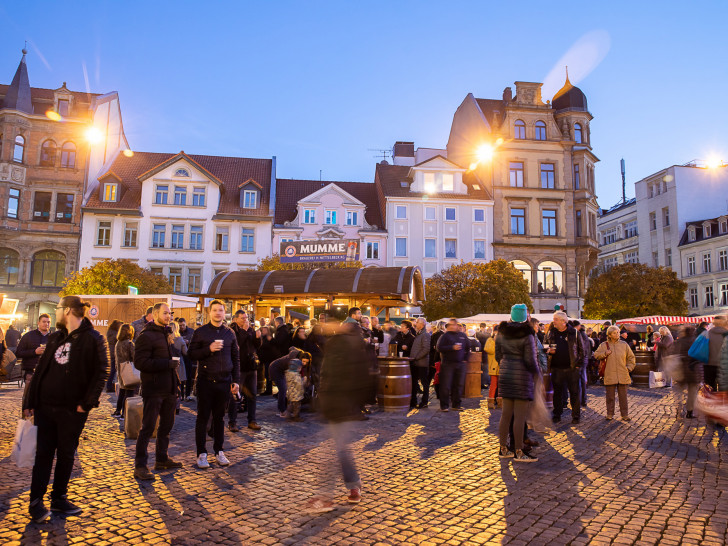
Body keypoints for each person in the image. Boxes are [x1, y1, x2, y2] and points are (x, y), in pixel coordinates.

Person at [22, 296, 109, 522]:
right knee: (43, 454)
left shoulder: (93, 338)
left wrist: (86, 403)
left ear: (68, 310)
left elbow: (101, 372)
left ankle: (59, 497)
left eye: (58, 308)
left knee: (66, 454)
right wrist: (29, 402)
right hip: (45, 407)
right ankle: (36, 501)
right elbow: (41, 370)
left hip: (72, 409)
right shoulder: (55, 337)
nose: (56, 312)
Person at [318, 320, 372, 504]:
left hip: (338, 404)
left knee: (337, 450)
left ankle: (329, 496)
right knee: (339, 449)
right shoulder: (358, 346)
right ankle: (352, 486)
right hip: (347, 405)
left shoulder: (340, 345)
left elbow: (329, 376)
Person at [133, 303, 183, 481]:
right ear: (154, 315)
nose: (168, 316)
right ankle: (140, 465)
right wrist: (166, 364)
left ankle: (161, 459)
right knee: (147, 428)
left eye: (170, 313)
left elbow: (171, 361)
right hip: (153, 389)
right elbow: (140, 363)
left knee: (166, 427)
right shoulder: (146, 336)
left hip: (168, 389)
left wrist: (176, 384)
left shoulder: (167, 333)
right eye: (165, 313)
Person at [188, 300, 240, 469]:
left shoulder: (230, 333)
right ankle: (201, 453)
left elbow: (235, 359)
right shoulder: (201, 332)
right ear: (209, 313)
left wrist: (236, 381)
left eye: (221, 310)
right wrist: (208, 349)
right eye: (215, 310)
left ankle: (219, 451)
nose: (218, 313)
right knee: (202, 418)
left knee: (219, 418)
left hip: (224, 382)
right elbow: (191, 354)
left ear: (225, 313)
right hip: (206, 381)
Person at [496, 304, 539, 462]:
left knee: (506, 415)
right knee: (520, 416)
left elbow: (497, 355)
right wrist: (537, 373)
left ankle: (503, 449)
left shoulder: (501, 333)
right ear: (524, 317)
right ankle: (519, 451)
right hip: (522, 376)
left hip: (506, 374)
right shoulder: (527, 335)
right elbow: (531, 360)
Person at [547, 311, 587, 425]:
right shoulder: (551, 332)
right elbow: (545, 345)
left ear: (563, 321)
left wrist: (578, 365)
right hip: (556, 368)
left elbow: (582, 351)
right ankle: (557, 414)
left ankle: (576, 416)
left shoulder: (574, 333)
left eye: (555, 319)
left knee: (574, 393)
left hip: (572, 368)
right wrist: (548, 351)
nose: (553, 322)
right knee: (557, 393)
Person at [593, 325, 636, 421]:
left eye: (618, 332)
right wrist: (605, 354)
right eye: (615, 333)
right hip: (610, 373)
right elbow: (596, 355)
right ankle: (610, 414)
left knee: (623, 397)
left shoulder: (624, 344)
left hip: (622, 374)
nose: (617, 334)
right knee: (610, 397)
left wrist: (628, 368)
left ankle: (624, 415)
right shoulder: (604, 345)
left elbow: (631, 358)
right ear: (610, 335)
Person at [230, 310, 262, 432]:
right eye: (242, 318)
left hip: (251, 366)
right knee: (235, 396)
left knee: (252, 395)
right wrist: (244, 330)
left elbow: (256, 346)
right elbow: (237, 345)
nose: (245, 320)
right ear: (236, 319)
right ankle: (232, 422)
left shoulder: (250, 329)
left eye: (246, 318)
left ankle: (252, 420)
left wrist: (258, 338)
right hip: (239, 368)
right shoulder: (233, 331)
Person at [436, 318, 470, 412]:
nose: (452, 326)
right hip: (448, 364)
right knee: (446, 385)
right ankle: (444, 406)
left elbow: (468, 347)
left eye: (454, 324)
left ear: (457, 325)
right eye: (450, 325)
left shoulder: (462, 335)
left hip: (460, 364)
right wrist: (452, 347)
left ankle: (456, 405)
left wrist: (465, 359)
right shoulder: (445, 336)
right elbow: (439, 348)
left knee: (458, 385)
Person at [670, 325, 702, 419]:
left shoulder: (678, 341)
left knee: (679, 391)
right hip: (692, 371)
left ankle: (679, 409)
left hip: (680, 371)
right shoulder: (695, 341)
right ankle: (689, 412)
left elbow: (673, 354)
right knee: (692, 393)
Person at [16, 313, 51, 384]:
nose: (46, 324)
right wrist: (34, 352)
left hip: (48, 370)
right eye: (44, 322)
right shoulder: (28, 336)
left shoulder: (53, 337)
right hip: (31, 370)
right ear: (38, 323)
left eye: (48, 322)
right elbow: (18, 353)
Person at [269, 348, 302, 417]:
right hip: (275, 370)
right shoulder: (290, 361)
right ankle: (282, 410)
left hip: (279, 369)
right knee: (283, 389)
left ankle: (283, 406)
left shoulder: (295, 357)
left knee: (283, 389)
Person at [113, 323, 136, 419]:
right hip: (128, 370)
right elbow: (134, 357)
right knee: (129, 393)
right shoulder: (130, 343)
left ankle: (118, 411)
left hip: (120, 370)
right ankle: (124, 413)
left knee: (122, 392)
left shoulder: (118, 343)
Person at [409, 317, 432, 409]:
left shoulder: (425, 335)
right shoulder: (418, 334)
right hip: (415, 363)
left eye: (417, 322)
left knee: (424, 383)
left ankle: (424, 401)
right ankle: (413, 401)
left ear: (422, 324)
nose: (416, 324)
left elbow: (426, 349)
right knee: (414, 382)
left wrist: (416, 357)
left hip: (421, 363)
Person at [707, 315, 728, 391]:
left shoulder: (707, 334)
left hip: (709, 365)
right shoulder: (726, 335)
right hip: (724, 366)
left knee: (711, 390)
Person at [177, 317, 195, 400]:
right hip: (180, 356)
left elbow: (195, 342)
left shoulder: (191, 331)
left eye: (183, 325)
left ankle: (187, 394)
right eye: (180, 325)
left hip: (188, 356)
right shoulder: (177, 332)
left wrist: (189, 342)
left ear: (185, 323)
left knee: (188, 375)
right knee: (180, 376)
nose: (182, 327)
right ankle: (180, 394)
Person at [258, 326, 279, 395]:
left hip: (269, 359)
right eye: (262, 330)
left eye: (265, 330)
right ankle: (268, 389)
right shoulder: (262, 338)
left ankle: (269, 390)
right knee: (266, 375)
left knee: (268, 375)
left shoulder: (269, 338)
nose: (263, 331)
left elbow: (273, 346)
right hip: (265, 359)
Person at [104, 320, 122, 393]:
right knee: (113, 370)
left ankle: (109, 385)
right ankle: (109, 386)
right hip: (114, 353)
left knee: (113, 370)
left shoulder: (110, 332)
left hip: (111, 352)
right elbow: (118, 338)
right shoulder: (114, 333)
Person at [485, 325, 500, 409]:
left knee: (501, 385)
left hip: (501, 365)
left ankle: (500, 402)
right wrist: (495, 341)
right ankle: (491, 401)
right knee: (493, 384)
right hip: (493, 365)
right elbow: (489, 350)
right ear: (494, 332)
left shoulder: (502, 340)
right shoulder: (490, 340)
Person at [476, 324, 491, 389]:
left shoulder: (486, 334)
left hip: (484, 353)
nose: (483, 328)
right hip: (482, 353)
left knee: (485, 369)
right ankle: (482, 383)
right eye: (482, 327)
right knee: (482, 369)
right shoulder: (480, 334)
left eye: (484, 327)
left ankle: (484, 382)